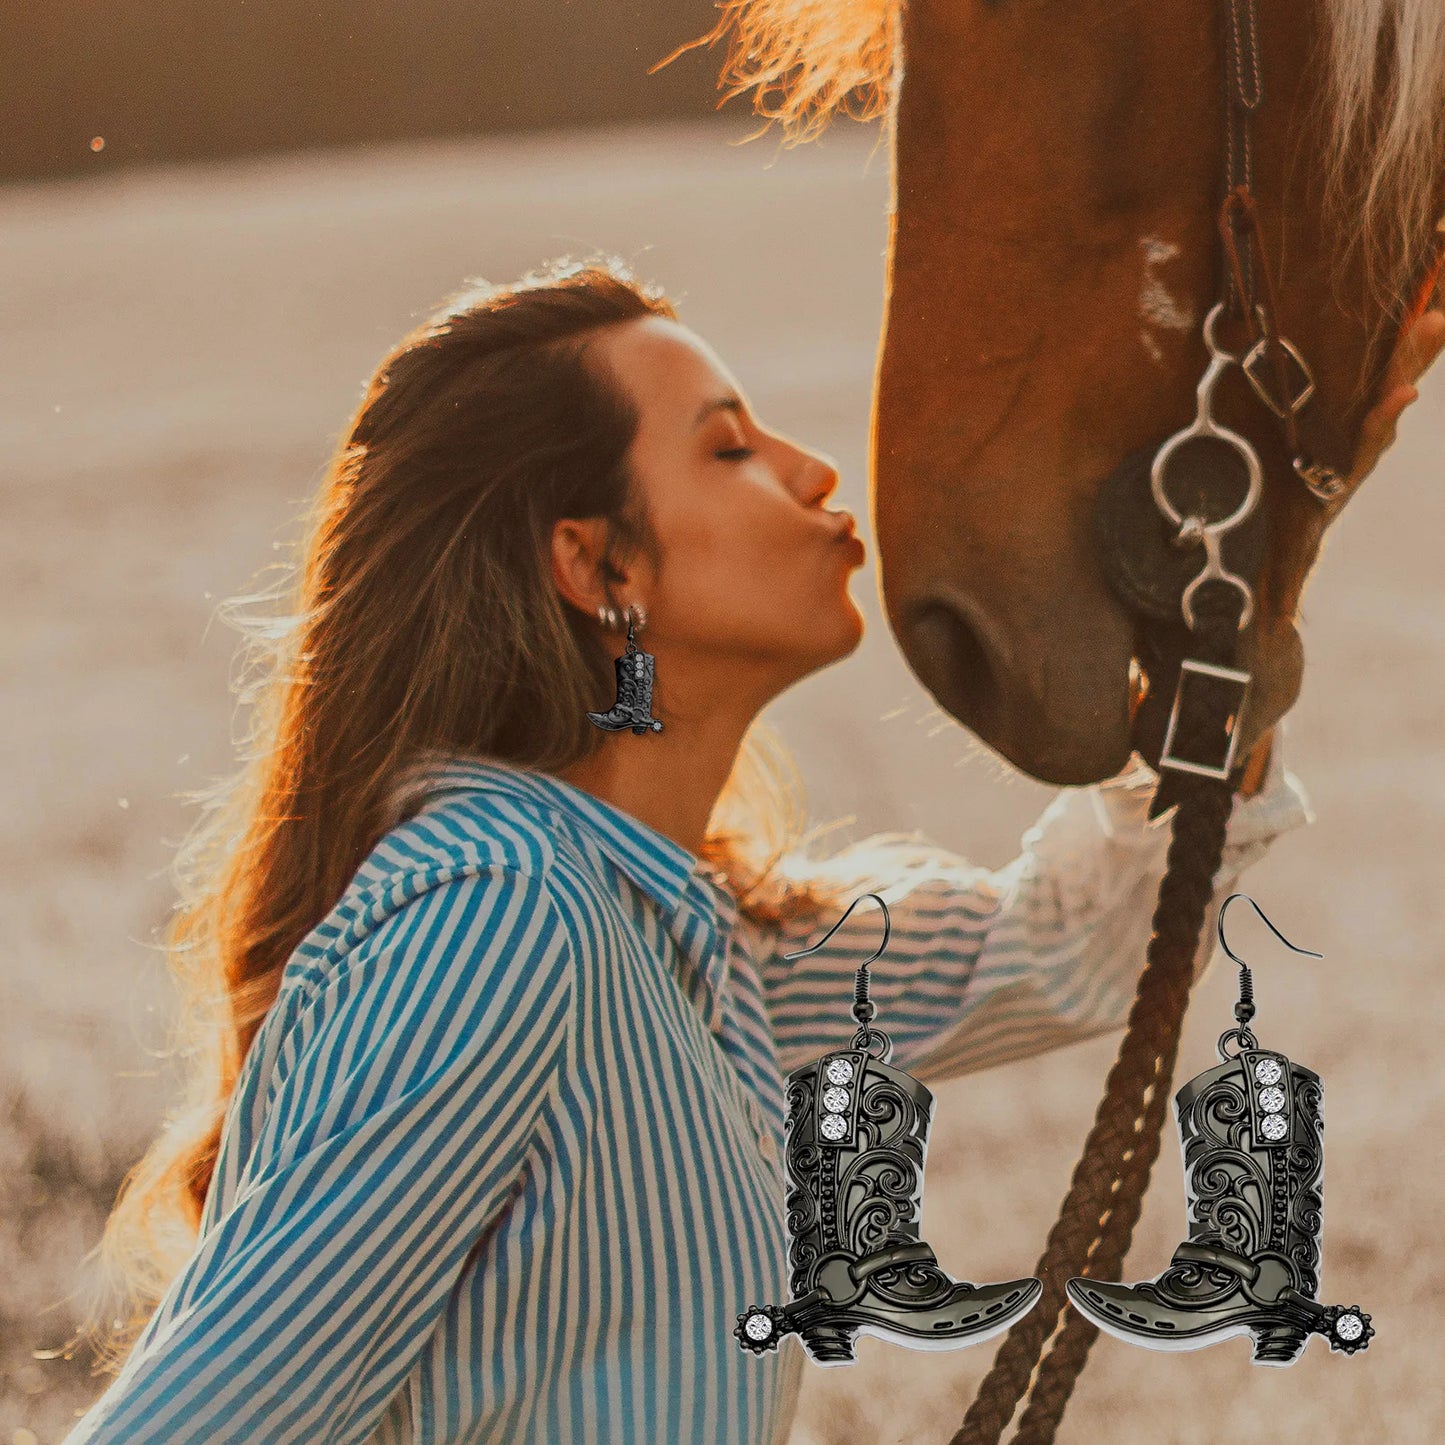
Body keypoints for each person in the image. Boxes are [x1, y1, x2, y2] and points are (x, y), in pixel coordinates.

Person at [66, 255, 1314, 1444]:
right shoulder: (497, 920)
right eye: (729, 448)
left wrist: (1227, 631)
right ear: (599, 563)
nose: (816, 471)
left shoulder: (683, 940)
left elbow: (1060, 945)